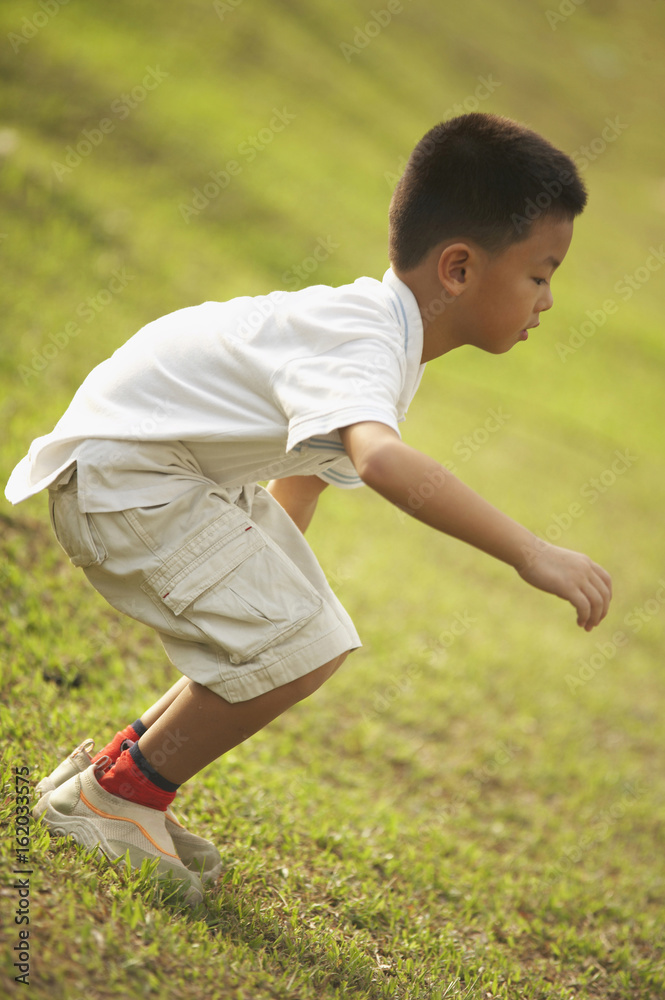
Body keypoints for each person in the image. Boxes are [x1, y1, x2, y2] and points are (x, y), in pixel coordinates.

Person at [6, 113, 612, 905]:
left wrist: (265, 607)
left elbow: (307, 478)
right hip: (130, 481)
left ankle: (108, 780)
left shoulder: (379, 336)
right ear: (458, 268)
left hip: (156, 475)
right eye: (540, 273)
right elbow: (384, 462)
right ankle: (114, 802)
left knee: (293, 632)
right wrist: (530, 551)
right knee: (304, 640)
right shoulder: (363, 339)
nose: (548, 299)